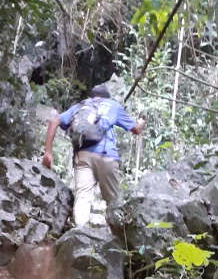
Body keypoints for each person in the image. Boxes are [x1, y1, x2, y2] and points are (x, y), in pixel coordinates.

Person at [42, 83, 144, 226]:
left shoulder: (79, 107)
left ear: (92, 97)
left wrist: (48, 152)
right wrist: (141, 122)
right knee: (113, 200)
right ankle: (116, 239)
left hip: (82, 155)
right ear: (106, 97)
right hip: (106, 155)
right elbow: (136, 130)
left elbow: (54, 121)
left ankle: (79, 233)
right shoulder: (112, 105)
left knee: (83, 196)